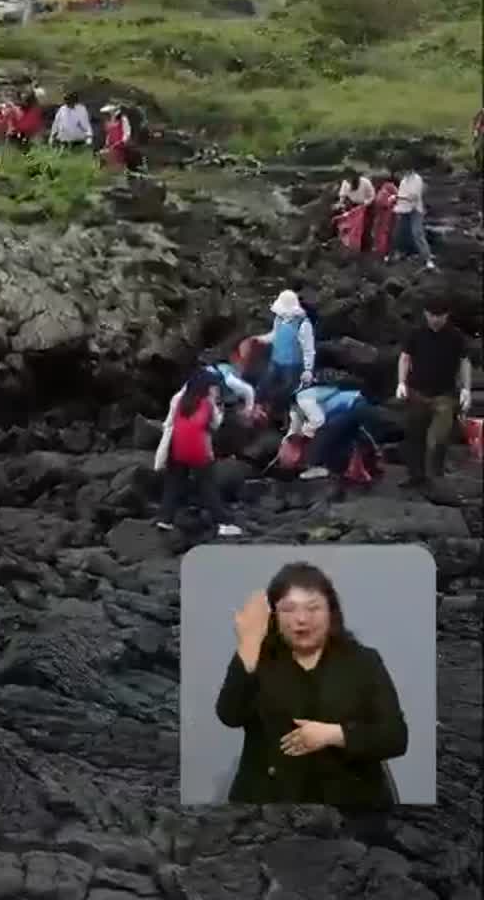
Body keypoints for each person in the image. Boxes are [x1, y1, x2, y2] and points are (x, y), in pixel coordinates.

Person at [216, 562, 408, 808]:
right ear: (274, 616)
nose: (302, 619)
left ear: (331, 611)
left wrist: (334, 735)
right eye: (288, 609)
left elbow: (395, 737)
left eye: (313, 608)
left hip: (349, 806)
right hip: (270, 805)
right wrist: (248, 648)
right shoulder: (257, 657)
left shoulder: (362, 661)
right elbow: (229, 715)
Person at [152, 368, 244, 537]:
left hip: (177, 447)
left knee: (173, 483)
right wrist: (219, 407)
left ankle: (164, 519)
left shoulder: (179, 399)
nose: (215, 389)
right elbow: (215, 425)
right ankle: (223, 522)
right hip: (198, 450)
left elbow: (170, 423)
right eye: (213, 386)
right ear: (206, 387)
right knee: (207, 486)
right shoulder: (207, 403)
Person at [395, 295, 473, 491]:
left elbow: (464, 362)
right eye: (432, 315)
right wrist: (401, 382)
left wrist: (466, 389)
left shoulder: (456, 336)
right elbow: (405, 357)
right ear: (426, 314)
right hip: (417, 392)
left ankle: (436, 478)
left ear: (447, 316)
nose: (435, 320)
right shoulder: (416, 333)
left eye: (440, 316)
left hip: (444, 395)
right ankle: (416, 476)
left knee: (438, 438)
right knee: (414, 436)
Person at [287, 379, 377, 484]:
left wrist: (305, 435)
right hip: (355, 403)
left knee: (324, 433)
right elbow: (295, 424)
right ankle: (362, 469)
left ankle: (318, 467)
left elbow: (318, 421)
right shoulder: (300, 402)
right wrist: (290, 438)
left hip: (349, 406)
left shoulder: (303, 399)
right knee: (350, 437)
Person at [251, 290, 316, 412]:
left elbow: (308, 348)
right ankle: (256, 408)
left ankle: (278, 417)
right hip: (275, 361)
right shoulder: (279, 319)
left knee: (285, 393)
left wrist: (308, 369)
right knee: (263, 386)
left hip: (292, 366)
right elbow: (274, 335)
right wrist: (259, 339)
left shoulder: (303, 324)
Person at [387, 165, 432, 270]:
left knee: (417, 233)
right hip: (404, 210)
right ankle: (401, 254)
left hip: (415, 210)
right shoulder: (404, 181)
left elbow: (414, 197)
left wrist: (396, 197)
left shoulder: (417, 179)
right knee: (399, 233)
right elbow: (402, 195)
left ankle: (428, 259)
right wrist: (396, 202)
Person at [334, 171, 378, 253]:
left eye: (349, 179)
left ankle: (366, 247)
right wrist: (340, 203)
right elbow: (342, 195)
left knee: (366, 225)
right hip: (354, 204)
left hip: (366, 205)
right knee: (353, 225)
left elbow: (372, 195)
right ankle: (354, 245)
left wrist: (365, 203)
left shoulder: (365, 182)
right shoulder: (345, 182)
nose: (347, 181)